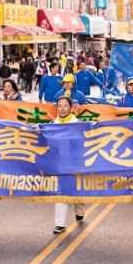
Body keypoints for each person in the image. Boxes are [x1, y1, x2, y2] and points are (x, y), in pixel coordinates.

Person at [50, 96, 85, 234]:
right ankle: (60, 224)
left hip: (75, 163)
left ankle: (80, 210)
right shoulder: (52, 124)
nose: (62, 108)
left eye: (65, 105)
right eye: (60, 106)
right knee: (61, 192)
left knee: (77, 191)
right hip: (60, 164)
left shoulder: (78, 124)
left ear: (71, 107)